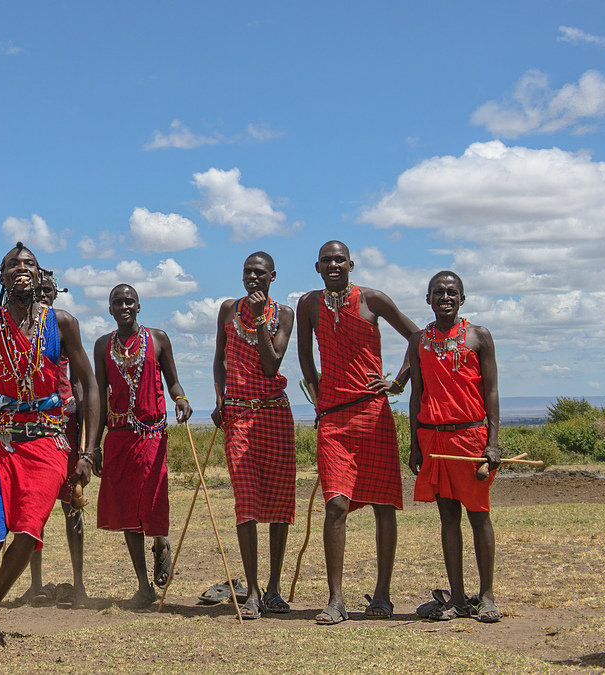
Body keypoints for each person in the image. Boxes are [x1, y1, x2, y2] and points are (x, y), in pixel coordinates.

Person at [0, 242, 100, 645]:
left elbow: (89, 384)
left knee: (29, 532)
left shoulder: (63, 322)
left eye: (29, 263)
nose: (22, 268)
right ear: (1, 277)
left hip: (49, 444)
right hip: (0, 442)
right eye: (13, 264)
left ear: (41, 275)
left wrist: (87, 451)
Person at [296, 240, 418, 624]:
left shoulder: (373, 300)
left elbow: (417, 338)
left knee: (384, 504)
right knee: (336, 504)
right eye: (326, 260)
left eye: (339, 259)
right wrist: (319, 397)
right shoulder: (309, 304)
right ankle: (335, 600)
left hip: (373, 413)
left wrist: (397, 382)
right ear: (318, 267)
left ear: (351, 264)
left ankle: (382, 596)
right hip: (332, 417)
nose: (333, 265)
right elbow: (304, 355)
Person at [407, 271, 502, 623]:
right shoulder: (418, 340)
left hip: (471, 438)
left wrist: (492, 443)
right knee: (448, 518)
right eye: (438, 292)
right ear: (428, 299)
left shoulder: (480, 336)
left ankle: (487, 595)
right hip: (434, 439)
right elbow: (417, 393)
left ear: (462, 299)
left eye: (451, 292)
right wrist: (416, 443)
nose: (445, 297)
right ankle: (457, 598)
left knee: (479, 516)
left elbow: (490, 392)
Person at [209, 253, 296, 619]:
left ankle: (274, 587)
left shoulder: (284, 315)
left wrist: (261, 319)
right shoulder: (228, 309)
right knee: (246, 501)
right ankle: (254, 591)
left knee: (278, 504)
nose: (253, 278)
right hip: (239, 415)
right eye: (247, 272)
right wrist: (219, 398)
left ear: (272, 276)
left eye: (260, 273)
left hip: (275, 413)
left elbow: (271, 363)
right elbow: (218, 359)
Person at [94, 284, 191, 609]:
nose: (124, 306)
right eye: (117, 302)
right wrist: (92, 446)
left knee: (150, 502)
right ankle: (143, 585)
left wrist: (181, 399)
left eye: (129, 301)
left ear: (139, 306)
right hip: (119, 436)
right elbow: (97, 396)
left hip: (152, 435)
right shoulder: (102, 346)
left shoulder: (159, 339)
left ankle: (161, 543)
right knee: (126, 512)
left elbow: (172, 381)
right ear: (110, 309)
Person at [19, 271, 89, 609]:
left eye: (48, 290)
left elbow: (80, 383)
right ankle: (36, 585)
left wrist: (88, 443)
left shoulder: (62, 327)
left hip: (65, 422)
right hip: (30, 422)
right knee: (35, 505)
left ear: (56, 294)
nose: (43, 295)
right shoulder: (18, 327)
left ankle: (78, 585)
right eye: (38, 290)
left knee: (71, 503)